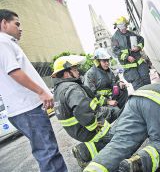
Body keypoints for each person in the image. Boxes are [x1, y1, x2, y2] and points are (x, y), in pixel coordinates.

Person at [0, 9, 67, 172]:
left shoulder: (7, 43)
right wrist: (41, 92)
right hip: (27, 109)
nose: (20, 28)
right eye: (17, 24)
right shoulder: (3, 42)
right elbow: (14, 71)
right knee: (49, 154)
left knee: (48, 152)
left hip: (26, 109)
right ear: (3, 23)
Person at [51, 55, 116, 168]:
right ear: (66, 73)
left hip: (77, 129)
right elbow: (82, 110)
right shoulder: (71, 88)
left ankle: (83, 151)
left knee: (113, 112)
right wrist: (96, 127)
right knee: (119, 139)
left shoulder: (58, 89)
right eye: (75, 70)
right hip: (87, 129)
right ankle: (90, 155)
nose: (78, 72)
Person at [111, 16, 151, 90]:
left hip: (140, 64)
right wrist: (127, 57)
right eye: (122, 27)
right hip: (130, 68)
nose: (124, 29)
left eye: (125, 26)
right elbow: (115, 51)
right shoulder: (115, 38)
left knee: (146, 81)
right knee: (139, 87)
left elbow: (141, 39)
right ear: (118, 27)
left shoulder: (131, 33)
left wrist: (138, 47)